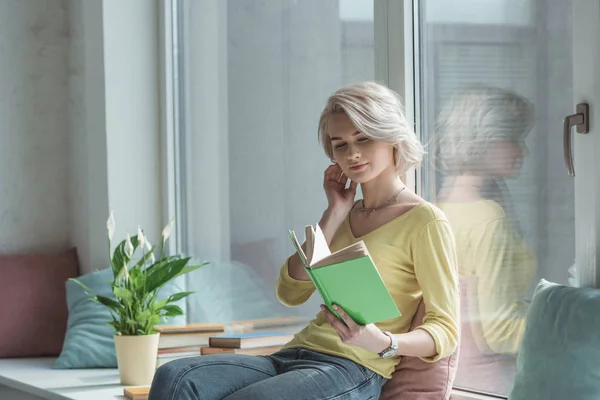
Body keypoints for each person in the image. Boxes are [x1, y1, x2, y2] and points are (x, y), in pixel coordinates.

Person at [148, 81, 460, 400]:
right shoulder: (344, 215)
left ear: (392, 137)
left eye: (363, 138)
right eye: (340, 144)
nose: (352, 154)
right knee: (175, 376)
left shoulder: (425, 221)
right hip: (293, 354)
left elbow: (445, 331)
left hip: (352, 368)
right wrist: (333, 213)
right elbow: (290, 292)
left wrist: (383, 342)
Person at [433, 86, 538, 394]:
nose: (523, 151)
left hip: (455, 382)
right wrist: (566, 325)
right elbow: (499, 331)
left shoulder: (440, 205)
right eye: (514, 139)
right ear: (485, 139)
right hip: (495, 386)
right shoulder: (487, 218)